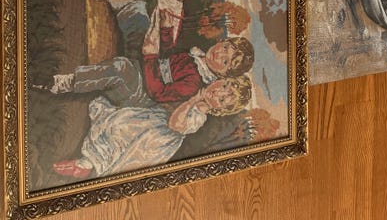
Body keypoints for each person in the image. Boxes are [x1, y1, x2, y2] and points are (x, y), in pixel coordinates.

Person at [41, 0, 254, 106]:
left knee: (120, 69)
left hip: (138, 91)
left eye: (225, 61)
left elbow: (157, 92)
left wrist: (150, 54)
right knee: (140, 16)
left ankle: (60, 83)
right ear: (222, 42)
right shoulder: (196, 58)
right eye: (225, 48)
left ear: (223, 74)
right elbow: (167, 54)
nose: (220, 54)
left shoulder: (194, 83)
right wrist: (165, 30)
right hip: (145, 64)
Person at [52, 75, 252, 179]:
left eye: (223, 99)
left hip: (156, 138)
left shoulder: (200, 116)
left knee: (122, 139)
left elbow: (176, 124)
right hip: (152, 121)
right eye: (223, 86)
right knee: (119, 123)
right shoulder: (199, 87)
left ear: (220, 109)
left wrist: (192, 101)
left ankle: (87, 164)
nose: (218, 93)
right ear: (220, 80)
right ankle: (88, 161)